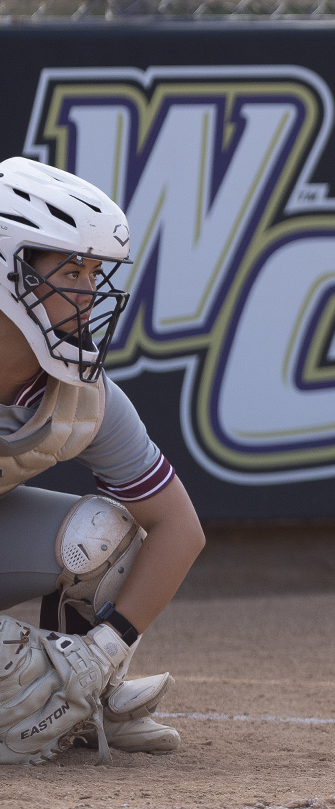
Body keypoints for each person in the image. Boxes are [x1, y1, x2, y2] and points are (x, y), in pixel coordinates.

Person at [0, 157, 204, 761]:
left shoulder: (83, 395)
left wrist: (101, 654)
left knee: (103, 535)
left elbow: (178, 529)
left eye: (95, 272)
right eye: (70, 270)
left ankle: (77, 705)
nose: (89, 293)